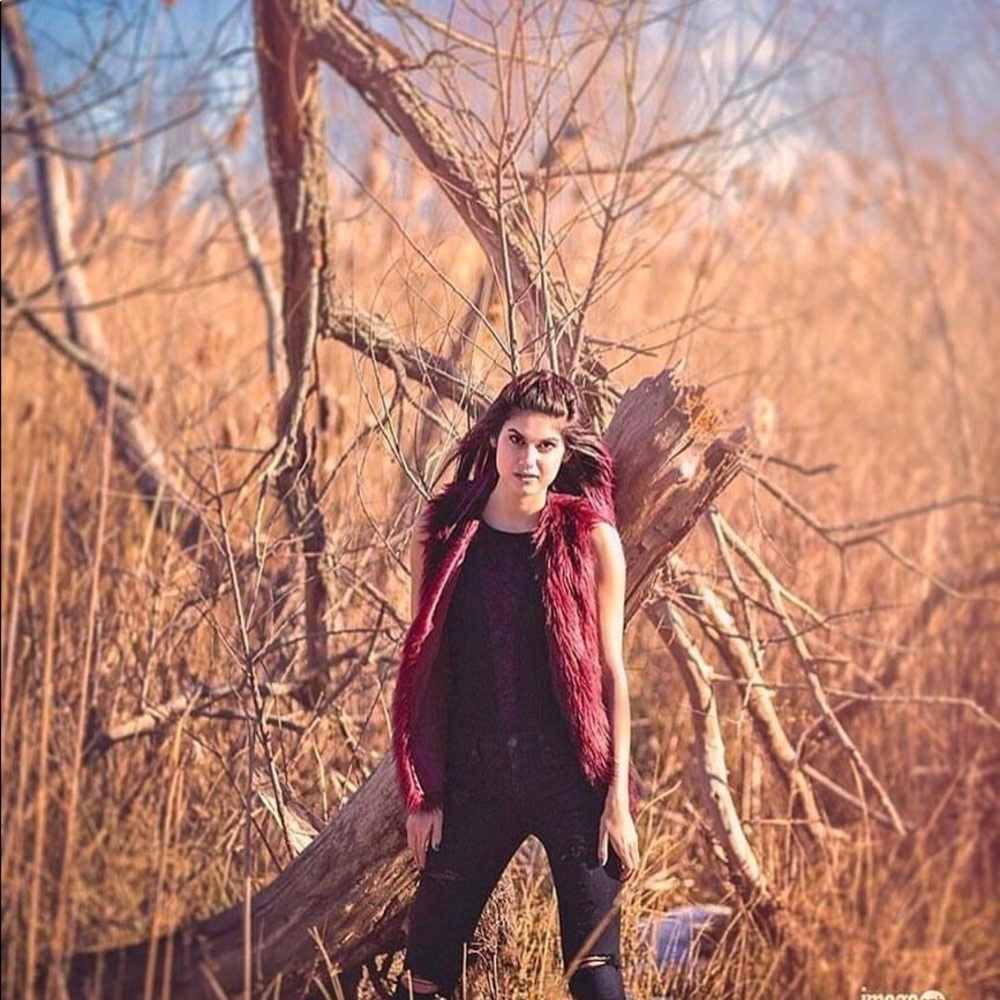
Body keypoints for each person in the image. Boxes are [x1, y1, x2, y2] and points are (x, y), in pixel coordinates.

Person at [391, 370, 640, 1000]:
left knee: (595, 973)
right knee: (427, 965)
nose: (528, 459)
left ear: (564, 453)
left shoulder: (589, 539)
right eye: (516, 439)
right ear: (494, 439)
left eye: (546, 445)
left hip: (570, 781)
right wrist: (422, 791)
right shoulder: (444, 531)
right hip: (475, 781)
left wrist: (617, 801)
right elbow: (424, 667)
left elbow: (613, 674)